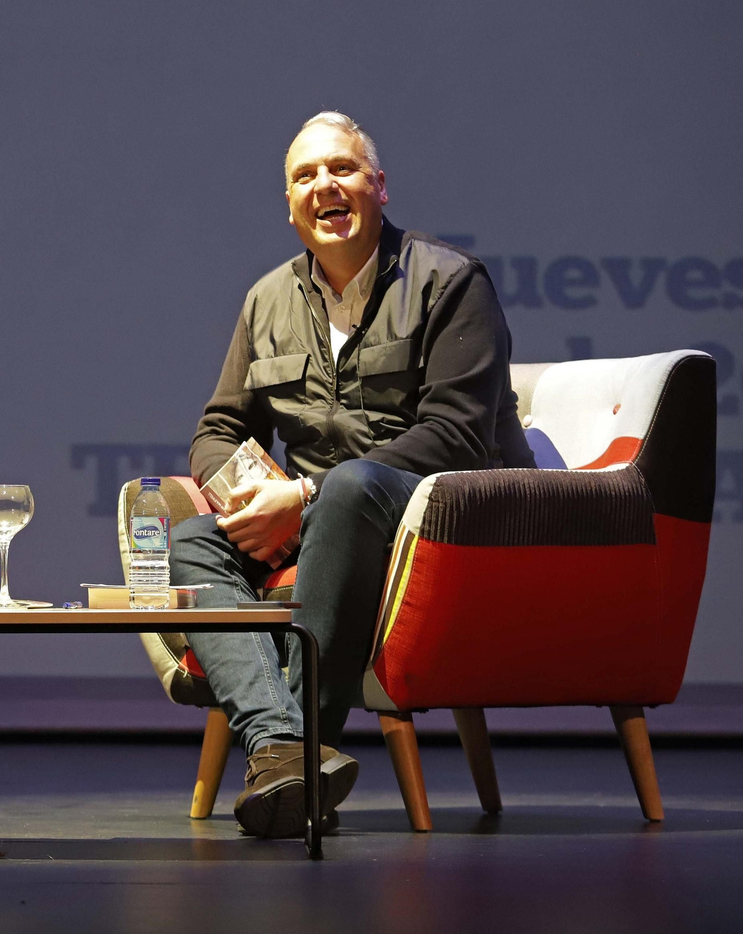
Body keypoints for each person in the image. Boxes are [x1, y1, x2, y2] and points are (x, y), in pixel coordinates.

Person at [172, 112, 533, 838]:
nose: (324, 186)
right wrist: (247, 490)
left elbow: (459, 435)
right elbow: (217, 430)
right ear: (289, 205)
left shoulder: (451, 282)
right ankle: (283, 747)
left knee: (347, 487)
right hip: (320, 514)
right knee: (193, 542)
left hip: (435, 513)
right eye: (305, 175)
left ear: (379, 186)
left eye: (341, 168)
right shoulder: (266, 301)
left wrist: (300, 494)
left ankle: (294, 747)